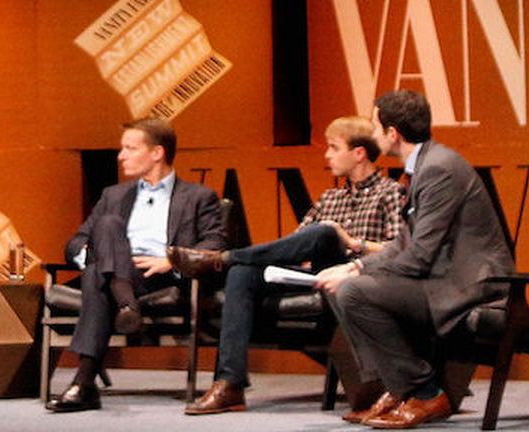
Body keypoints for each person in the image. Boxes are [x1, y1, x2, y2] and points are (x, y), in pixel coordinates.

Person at [165, 115, 404, 415]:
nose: (327, 154)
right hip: (316, 271)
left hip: (357, 276)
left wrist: (351, 242)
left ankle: (221, 259)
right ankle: (230, 384)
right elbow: (296, 244)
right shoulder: (330, 197)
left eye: (333, 147)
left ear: (358, 154)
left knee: (327, 233)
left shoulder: (390, 193)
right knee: (243, 273)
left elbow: (399, 250)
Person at [313, 91, 512, 429]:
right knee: (351, 287)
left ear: (393, 134)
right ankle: (399, 386)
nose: (372, 134)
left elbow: (419, 256)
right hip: (444, 277)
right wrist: (352, 265)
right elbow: (405, 240)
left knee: (354, 293)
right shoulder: (424, 165)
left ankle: (423, 391)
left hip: (471, 285)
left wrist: (358, 271)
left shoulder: (438, 169)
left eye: (376, 127)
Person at [47, 117, 228, 413]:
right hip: (118, 268)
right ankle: (126, 305)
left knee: (97, 275)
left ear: (157, 153)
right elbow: (76, 242)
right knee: (106, 229)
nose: (121, 156)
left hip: (160, 276)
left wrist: (171, 261)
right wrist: (93, 255)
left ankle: (84, 383)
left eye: (130, 149)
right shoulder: (113, 195)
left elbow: (214, 244)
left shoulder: (198, 197)